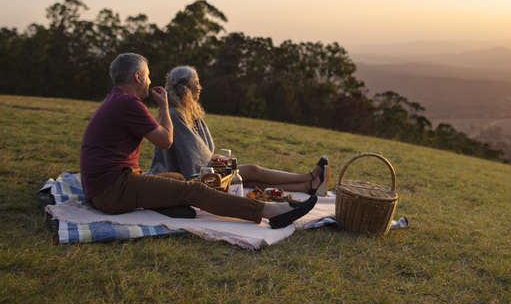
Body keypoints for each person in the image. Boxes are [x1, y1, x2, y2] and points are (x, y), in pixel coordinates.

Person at [79, 53, 317, 229]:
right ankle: (269, 211)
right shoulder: (129, 103)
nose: (150, 82)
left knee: (176, 180)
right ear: (137, 76)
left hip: (105, 188)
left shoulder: (116, 100)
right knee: (194, 189)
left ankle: (171, 204)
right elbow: (165, 141)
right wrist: (163, 107)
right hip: (112, 190)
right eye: (148, 76)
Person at [147, 65, 331, 196]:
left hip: (196, 172)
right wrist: (218, 161)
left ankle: (308, 186)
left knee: (247, 180)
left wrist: (218, 158)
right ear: (185, 87)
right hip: (187, 180)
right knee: (252, 169)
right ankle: (309, 176)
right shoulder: (174, 115)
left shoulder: (186, 112)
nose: (200, 87)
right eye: (196, 82)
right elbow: (194, 160)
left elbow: (195, 152)